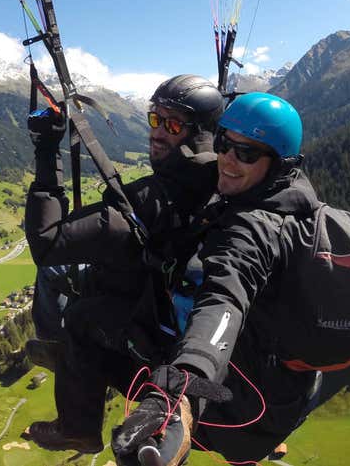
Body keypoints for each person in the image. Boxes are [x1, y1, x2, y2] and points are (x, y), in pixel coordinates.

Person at [111, 92, 323, 465]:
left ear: (281, 163)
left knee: (108, 325)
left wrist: (178, 395)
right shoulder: (286, 195)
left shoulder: (254, 228)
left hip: (250, 410)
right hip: (284, 385)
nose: (227, 160)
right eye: (225, 144)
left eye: (247, 153)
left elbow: (225, 299)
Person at [24, 75, 227, 457]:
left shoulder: (145, 203)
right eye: (155, 119)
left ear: (198, 133)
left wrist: (46, 151)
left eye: (172, 125)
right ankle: (67, 355)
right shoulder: (227, 179)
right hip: (180, 311)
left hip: (160, 339)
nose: (158, 132)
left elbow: (47, 242)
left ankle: (76, 423)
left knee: (77, 311)